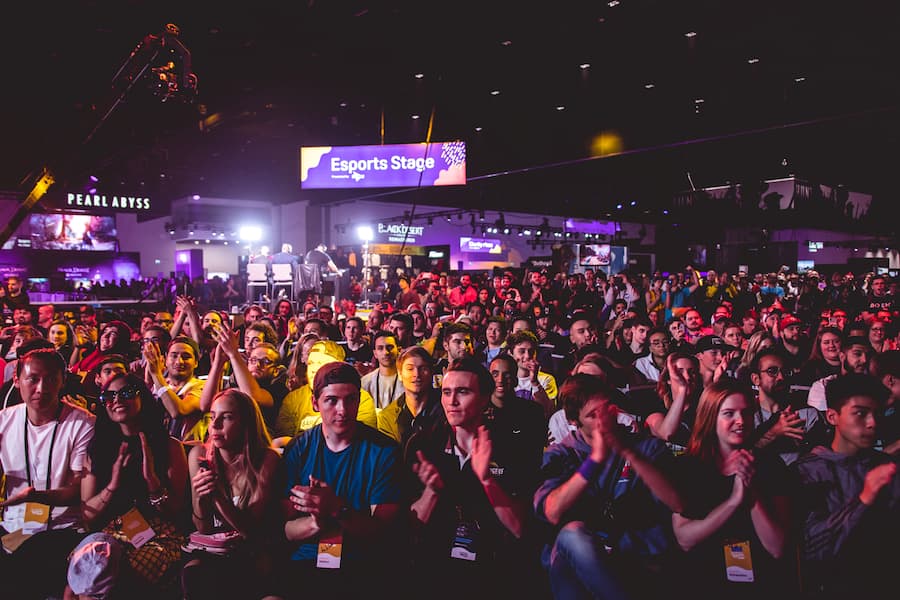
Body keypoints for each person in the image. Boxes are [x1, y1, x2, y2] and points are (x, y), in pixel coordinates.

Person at [534, 374, 685, 599]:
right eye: (592, 415)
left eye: (607, 409)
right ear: (575, 421)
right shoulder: (562, 453)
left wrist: (628, 453)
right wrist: (593, 462)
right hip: (579, 557)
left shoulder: (645, 447)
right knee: (572, 534)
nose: (603, 419)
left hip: (635, 556)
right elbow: (552, 511)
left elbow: (678, 503)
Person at [406, 357, 542, 598]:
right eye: (446, 392)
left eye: (463, 392)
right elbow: (408, 531)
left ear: (483, 398)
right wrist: (432, 492)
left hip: (492, 564)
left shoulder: (510, 445)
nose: (452, 401)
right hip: (435, 563)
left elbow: (519, 528)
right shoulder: (423, 445)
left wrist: (487, 480)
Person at [272, 361, 402, 599]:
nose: (342, 410)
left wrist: (337, 509)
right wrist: (317, 522)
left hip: (363, 563)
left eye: (351, 399)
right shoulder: (299, 449)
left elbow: (382, 531)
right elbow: (287, 530)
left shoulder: (383, 451)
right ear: (315, 403)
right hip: (306, 560)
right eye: (331, 400)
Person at [671, 378, 793, 598]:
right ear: (710, 417)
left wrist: (751, 491)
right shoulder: (687, 467)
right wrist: (734, 501)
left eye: (746, 413)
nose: (741, 421)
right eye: (729, 413)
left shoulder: (770, 465)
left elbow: (777, 547)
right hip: (702, 579)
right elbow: (685, 539)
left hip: (759, 581)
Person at [70, 373, 188, 598]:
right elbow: (88, 516)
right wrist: (112, 485)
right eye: (109, 396)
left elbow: (175, 510)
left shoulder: (169, 446)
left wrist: (152, 482)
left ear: (142, 397)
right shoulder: (98, 449)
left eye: (125, 393)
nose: (117, 400)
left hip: (157, 534)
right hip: (109, 534)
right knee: (86, 571)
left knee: (118, 576)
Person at [0, 348, 95, 599]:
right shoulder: (4, 420)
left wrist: (37, 497)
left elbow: (78, 488)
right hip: (12, 525)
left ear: (63, 380)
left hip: (61, 527)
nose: (42, 388)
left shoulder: (82, 423)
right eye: (33, 379)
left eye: (51, 379)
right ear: (17, 380)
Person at [793, 373, 899, 598]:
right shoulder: (807, 471)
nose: (872, 423)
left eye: (876, 414)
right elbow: (811, 548)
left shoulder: (887, 466)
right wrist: (864, 498)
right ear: (832, 416)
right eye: (860, 413)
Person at [182, 389, 281, 600]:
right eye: (212, 416)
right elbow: (203, 527)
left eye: (226, 417)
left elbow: (250, 530)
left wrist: (217, 496)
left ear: (246, 423)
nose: (215, 425)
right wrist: (201, 497)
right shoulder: (199, 455)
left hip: (250, 550)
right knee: (195, 575)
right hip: (211, 549)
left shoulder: (266, 459)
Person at [749, 347, 826, 466]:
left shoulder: (807, 413)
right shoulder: (746, 415)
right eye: (772, 371)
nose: (781, 377)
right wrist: (773, 433)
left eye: (785, 371)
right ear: (756, 379)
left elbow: (820, 454)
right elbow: (744, 456)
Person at [376, 346, 445, 446]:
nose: (416, 374)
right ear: (400, 374)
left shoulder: (446, 408)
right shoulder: (388, 417)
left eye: (423, 368)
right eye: (410, 368)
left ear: (431, 373)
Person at [360, 331, 404, 410]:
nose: (386, 352)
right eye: (380, 348)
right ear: (375, 353)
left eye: (390, 347)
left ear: (399, 350)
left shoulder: (408, 380)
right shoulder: (365, 382)